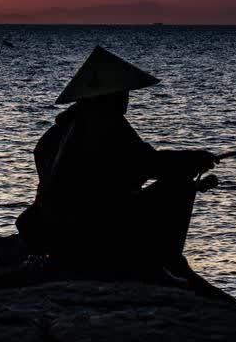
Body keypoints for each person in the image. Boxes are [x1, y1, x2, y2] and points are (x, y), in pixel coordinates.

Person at [16, 46, 218, 283]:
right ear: (110, 94)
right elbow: (147, 163)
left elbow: (125, 168)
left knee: (176, 183)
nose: (126, 98)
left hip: (55, 233)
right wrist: (193, 159)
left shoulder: (59, 130)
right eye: (123, 92)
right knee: (178, 185)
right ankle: (160, 264)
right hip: (89, 232)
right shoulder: (105, 123)